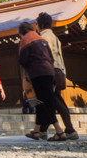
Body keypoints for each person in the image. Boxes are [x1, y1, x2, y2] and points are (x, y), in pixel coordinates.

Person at [18, 22, 67, 141]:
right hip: (49, 71)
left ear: (21, 32)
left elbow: (22, 60)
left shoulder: (25, 39)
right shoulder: (41, 39)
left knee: (44, 102)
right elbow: (50, 57)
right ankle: (36, 131)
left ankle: (59, 131)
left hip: (37, 72)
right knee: (42, 101)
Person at [33, 12, 79, 140]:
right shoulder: (54, 37)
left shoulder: (44, 38)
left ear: (40, 24)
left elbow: (44, 57)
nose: (36, 26)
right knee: (50, 101)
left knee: (56, 101)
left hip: (50, 72)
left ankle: (69, 130)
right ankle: (42, 130)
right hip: (59, 70)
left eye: (37, 24)